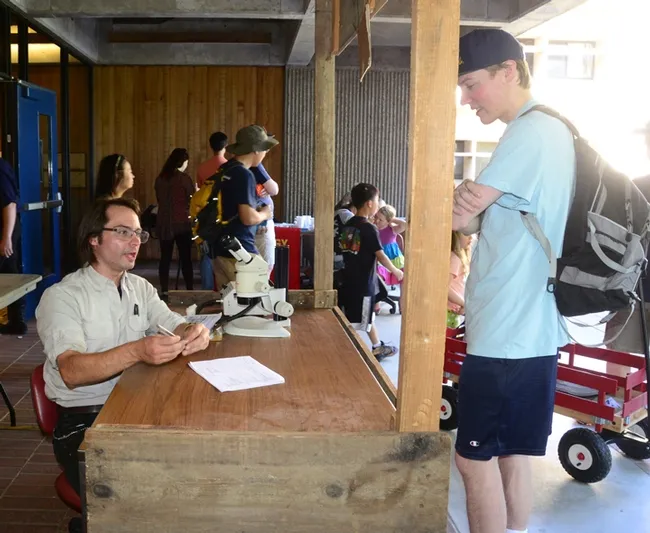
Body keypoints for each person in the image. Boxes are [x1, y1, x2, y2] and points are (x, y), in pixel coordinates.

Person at [451, 29, 575, 533]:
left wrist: (469, 199)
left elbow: (465, 214)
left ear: (508, 71)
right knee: (513, 455)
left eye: (472, 83)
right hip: (530, 329)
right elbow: (471, 214)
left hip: (507, 333)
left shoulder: (530, 132)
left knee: (472, 459)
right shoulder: (544, 129)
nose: (466, 98)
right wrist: (470, 203)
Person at [36, 198, 210, 503]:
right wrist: (138, 351)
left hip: (136, 408)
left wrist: (196, 331)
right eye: (122, 232)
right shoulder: (62, 297)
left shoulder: (140, 288)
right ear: (93, 239)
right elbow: (72, 371)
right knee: (141, 497)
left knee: (198, 464)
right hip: (83, 422)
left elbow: (173, 323)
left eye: (139, 234)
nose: (135, 241)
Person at [604, 120, 650, 376]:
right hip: (631, 287)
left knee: (618, 352)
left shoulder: (636, 187)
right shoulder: (636, 187)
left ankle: (617, 409)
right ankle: (617, 409)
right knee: (618, 351)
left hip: (630, 285)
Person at [339, 183, 403, 361]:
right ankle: (347, 349)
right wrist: (395, 271)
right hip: (364, 282)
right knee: (361, 320)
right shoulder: (368, 227)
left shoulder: (349, 224)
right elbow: (380, 255)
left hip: (349, 278)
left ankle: (377, 346)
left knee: (362, 317)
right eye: (376, 201)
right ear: (369, 203)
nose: (377, 204)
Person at [210, 125, 276, 289]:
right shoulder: (243, 174)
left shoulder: (225, 169)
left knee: (230, 305)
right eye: (264, 149)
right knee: (253, 304)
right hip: (239, 250)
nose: (264, 153)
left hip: (220, 248)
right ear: (255, 150)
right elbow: (247, 218)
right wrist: (264, 214)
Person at [154, 148, 195, 301]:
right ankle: (190, 289)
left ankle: (164, 290)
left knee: (165, 258)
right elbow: (192, 199)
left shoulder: (160, 178)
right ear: (183, 162)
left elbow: (159, 199)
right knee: (185, 258)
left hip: (164, 223)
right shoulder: (184, 179)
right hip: (182, 223)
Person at [0, 157, 27, 335]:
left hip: (4, 229)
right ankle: (17, 321)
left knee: (11, 275)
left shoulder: (0, 169)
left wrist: (6, 237)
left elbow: (9, 204)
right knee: (10, 272)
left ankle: (18, 321)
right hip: (5, 229)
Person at [252, 163, 279, 273]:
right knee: (265, 265)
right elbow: (274, 189)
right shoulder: (255, 165)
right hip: (260, 224)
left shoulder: (232, 166)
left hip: (251, 223)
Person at [374, 205, 407, 287]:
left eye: (381, 220)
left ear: (388, 221)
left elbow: (404, 225)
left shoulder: (392, 229)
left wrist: (392, 219)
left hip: (394, 258)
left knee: (404, 278)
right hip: (381, 259)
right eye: (376, 217)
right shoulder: (373, 229)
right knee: (379, 275)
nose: (377, 221)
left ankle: (402, 299)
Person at [447, 231, 470, 329]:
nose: (471, 238)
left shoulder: (459, 257)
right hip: (449, 310)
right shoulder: (455, 259)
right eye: (466, 234)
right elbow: (444, 288)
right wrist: (463, 304)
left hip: (452, 310)